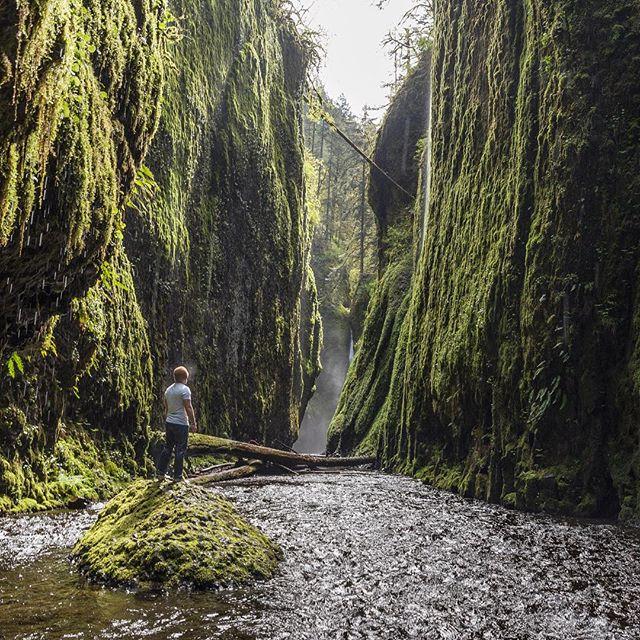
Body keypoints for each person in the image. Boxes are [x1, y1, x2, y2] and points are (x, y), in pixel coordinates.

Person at [157, 366, 197, 481]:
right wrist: (193, 423)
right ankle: (177, 477)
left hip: (169, 422)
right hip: (181, 424)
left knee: (168, 447)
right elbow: (188, 407)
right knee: (180, 450)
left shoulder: (168, 390)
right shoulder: (185, 389)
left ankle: (160, 472)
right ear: (185, 378)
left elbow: (166, 407)